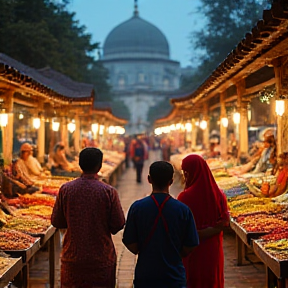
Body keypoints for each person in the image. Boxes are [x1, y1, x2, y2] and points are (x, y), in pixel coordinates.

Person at [51, 147, 125, 288]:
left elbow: (57, 221)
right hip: (101, 258)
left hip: (73, 257)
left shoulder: (66, 190)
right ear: (100, 166)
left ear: (79, 164)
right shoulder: (108, 192)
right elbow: (118, 224)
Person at [123, 161, 199, 288]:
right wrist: (174, 253)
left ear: (149, 179)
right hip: (174, 276)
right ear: (171, 181)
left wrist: (144, 250)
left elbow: (129, 241)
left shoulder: (137, 208)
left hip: (145, 275)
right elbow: (191, 244)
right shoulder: (183, 210)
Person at [177, 154, 230, 288]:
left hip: (192, 249)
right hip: (213, 247)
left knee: (193, 279)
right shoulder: (219, 194)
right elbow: (224, 222)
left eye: (185, 173)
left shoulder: (185, 197)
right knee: (211, 278)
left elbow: (179, 226)